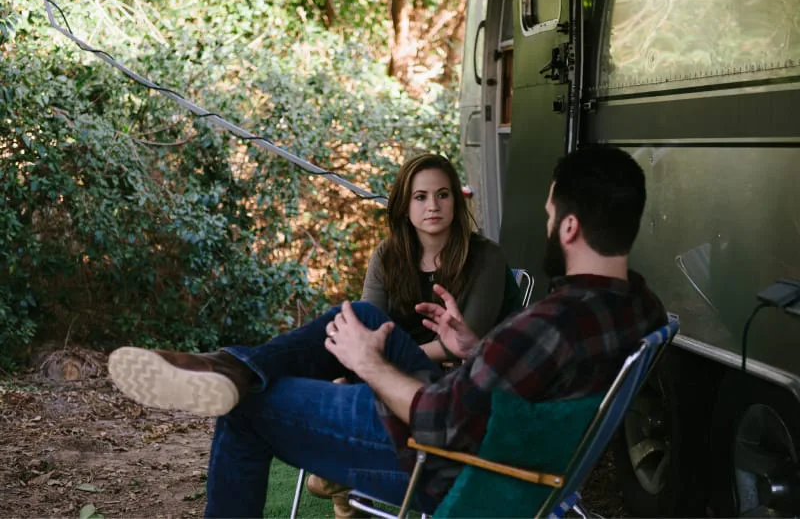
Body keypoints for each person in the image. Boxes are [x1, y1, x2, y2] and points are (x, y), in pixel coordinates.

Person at [111, 145, 666, 518]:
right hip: (493, 438)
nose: (547, 225)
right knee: (362, 316)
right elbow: (502, 384)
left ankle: (237, 374)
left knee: (249, 409)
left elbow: (438, 420)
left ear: (569, 226)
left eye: (549, 216)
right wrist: (472, 348)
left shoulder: (549, 324)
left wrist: (369, 366)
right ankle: (233, 365)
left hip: (439, 462)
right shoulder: (641, 307)